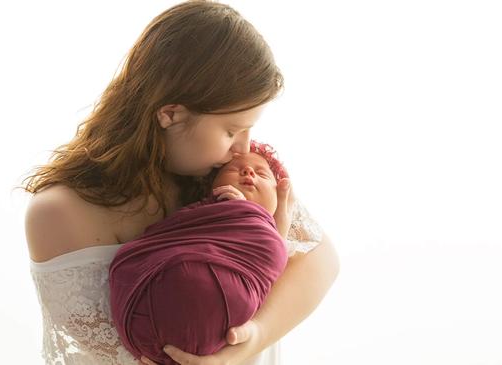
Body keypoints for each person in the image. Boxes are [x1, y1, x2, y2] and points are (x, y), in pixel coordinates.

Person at [21, 1, 340, 364]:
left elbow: (321, 259)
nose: (245, 147)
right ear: (171, 114)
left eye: (250, 129)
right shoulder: (62, 213)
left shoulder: (228, 175)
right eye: (232, 130)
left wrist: (251, 341)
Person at [108, 142, 300, 364]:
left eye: (262, 174)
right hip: (155, 300)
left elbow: (271, 262)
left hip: (219, 326)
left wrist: (257, 221)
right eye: (233, 169)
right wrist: (232, 211)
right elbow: (168, 234)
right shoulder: (199, 213)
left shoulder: (271, 234)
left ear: (278, 197)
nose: (248, 172)